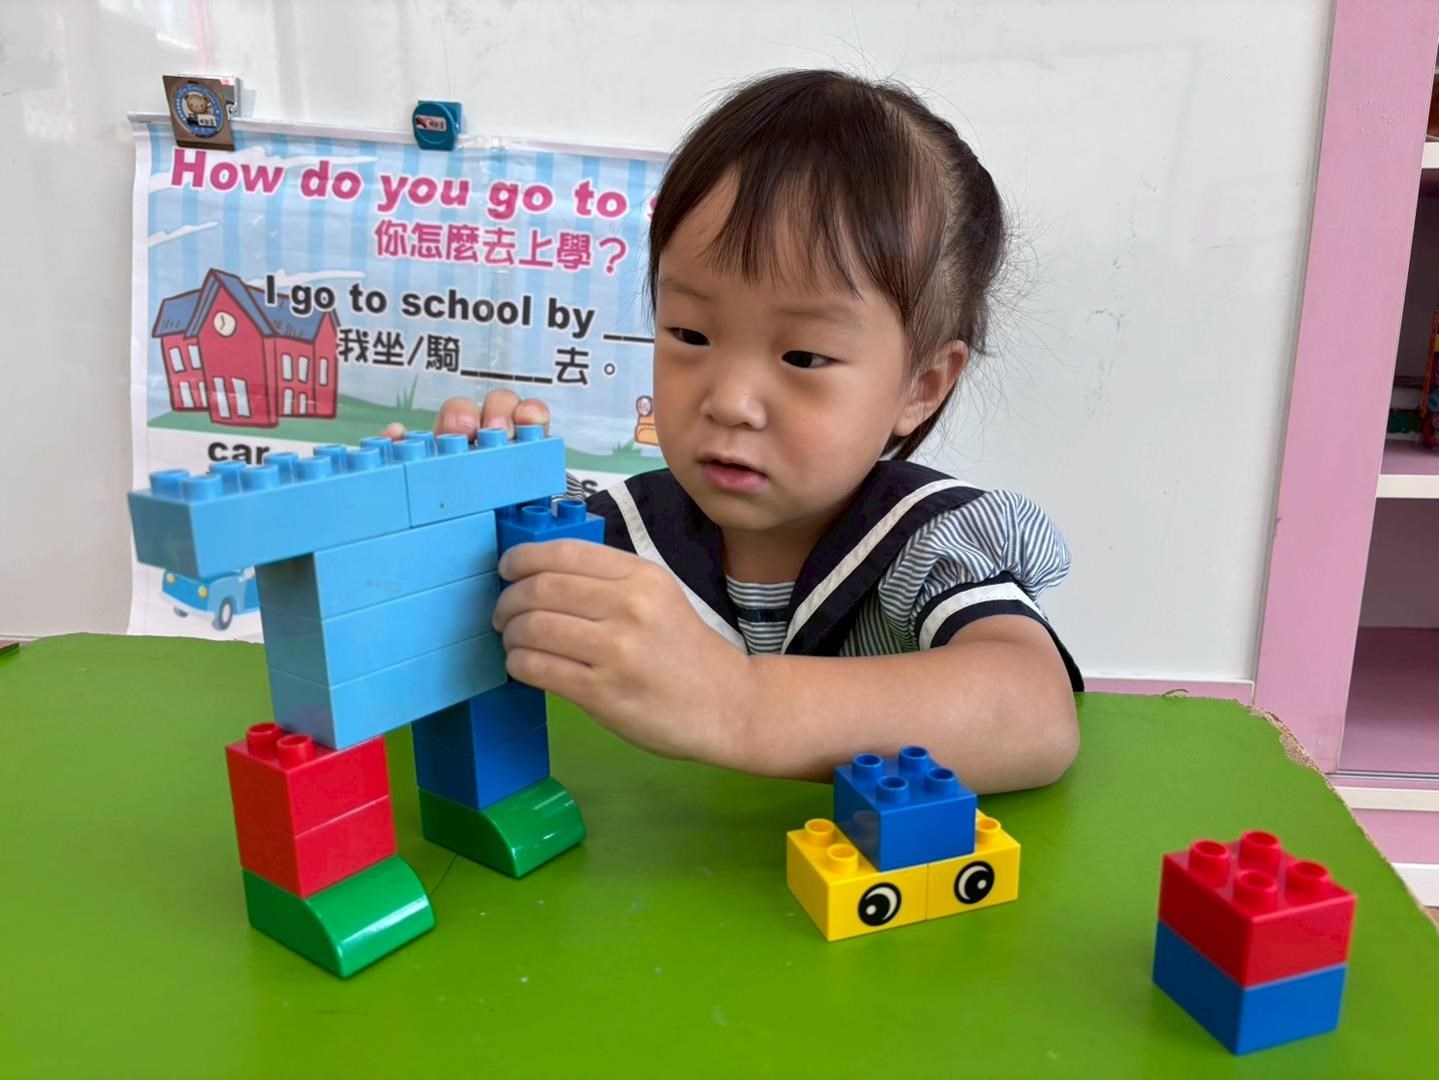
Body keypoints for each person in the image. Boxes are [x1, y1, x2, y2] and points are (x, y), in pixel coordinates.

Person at [387, 70, 1082, 790]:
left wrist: (737, 702)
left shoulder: (926, 544)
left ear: (922, 386)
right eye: (690, 334)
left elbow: (1033, 714)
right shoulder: (615, 535)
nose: (729, 401)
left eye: (802, 356)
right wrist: (452, 513)